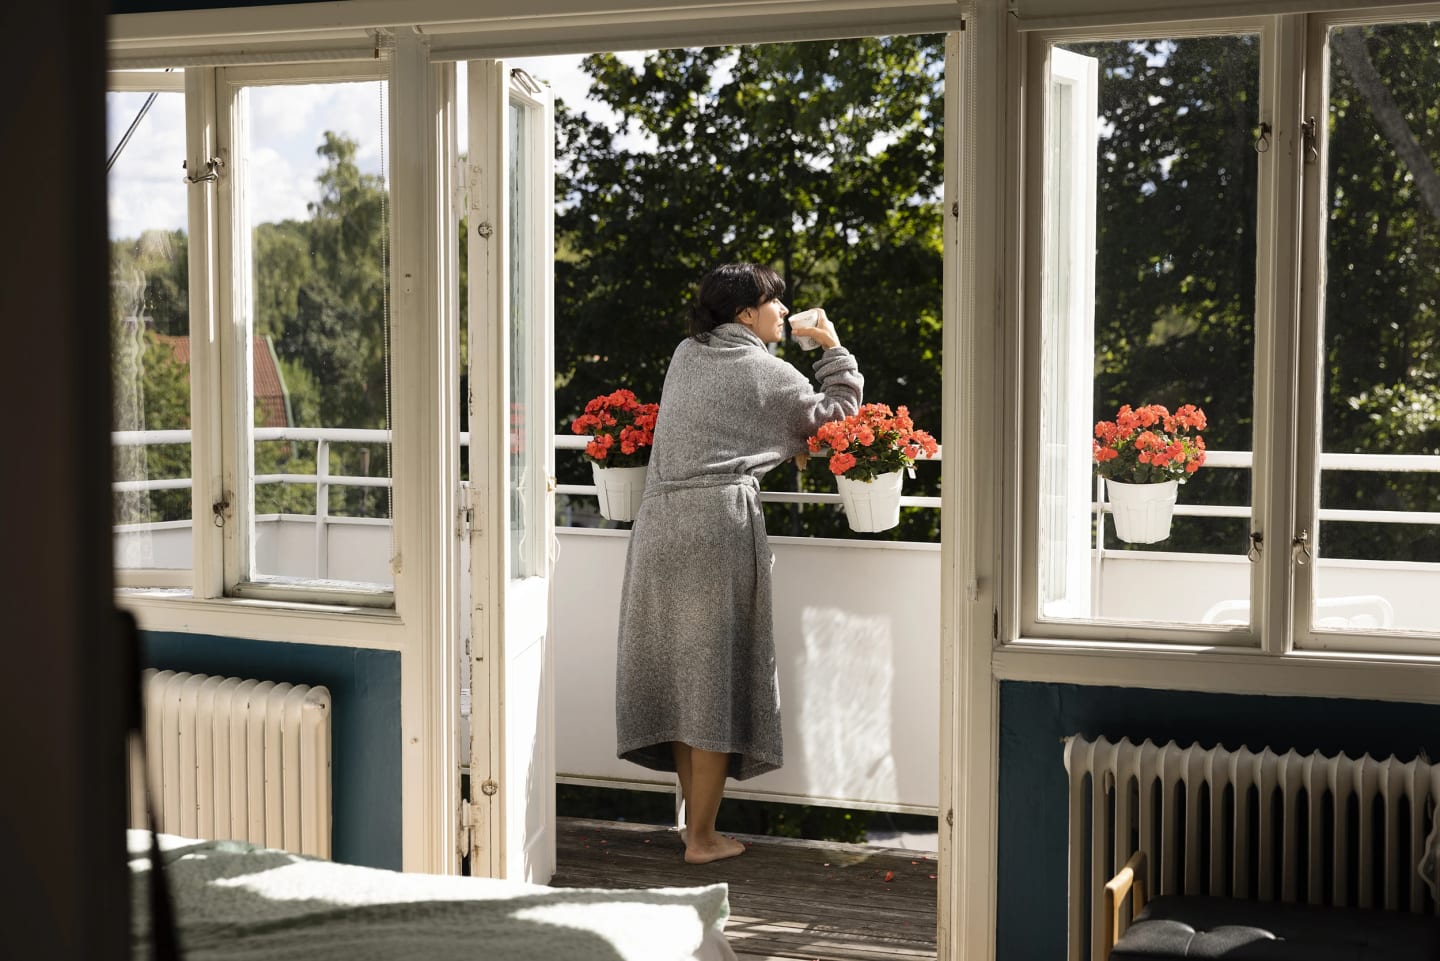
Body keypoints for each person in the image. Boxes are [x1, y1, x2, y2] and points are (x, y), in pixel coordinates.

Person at [614, 262, 864, 864]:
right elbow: (839, 419)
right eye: (774, 303)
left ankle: (691, 827)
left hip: (659, 527)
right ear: (745, 313)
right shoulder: (767, 373)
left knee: (682, 684)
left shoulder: (685, 355)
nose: (783, 310)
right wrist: (832, 349)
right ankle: (702, 839)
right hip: (714, 531)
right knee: (714, 685)